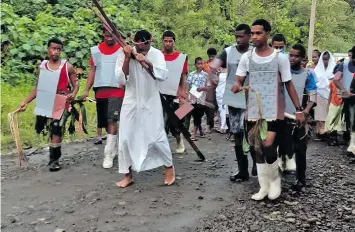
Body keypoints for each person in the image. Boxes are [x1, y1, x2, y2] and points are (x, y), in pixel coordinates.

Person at [232, 19, 305, 201]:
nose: (255, 37)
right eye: (253, 33)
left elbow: (288, 84)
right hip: (254, 109)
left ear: (267, 34)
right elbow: (239, 80)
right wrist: (237, 85)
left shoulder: (279, 58)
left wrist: (298, 109)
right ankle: (263, 186)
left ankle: (274, 181)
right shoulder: (246, 58)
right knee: (256, 147)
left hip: (273, 108)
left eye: (259, 33)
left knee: (268, 145)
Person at [115, 30, 174, 188]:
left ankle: (169, 168)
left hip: (150, 99)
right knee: (125, 137)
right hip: (131, 99)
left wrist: (147, 62)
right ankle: (128, 175)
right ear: (134, 43)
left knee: (156, 135)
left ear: (150, 42)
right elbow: (121, 79)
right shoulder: (125, 52)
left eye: (145, 44)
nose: (142, 47)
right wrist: (128, 58)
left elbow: (162, 75)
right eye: (138, 44)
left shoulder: (156, 54)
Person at [19, 38, 79, 171]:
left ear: (61, 51)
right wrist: (25, 101)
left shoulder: (67, 66)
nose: (56, 52)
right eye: (53, 48)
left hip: (62, 101)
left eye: (58, 49)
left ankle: (54, 159)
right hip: (47, 100)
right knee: (50, 129)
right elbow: (38, 87)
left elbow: (76, 83)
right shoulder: (42, 67)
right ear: (48, 49)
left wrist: (73, 93)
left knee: (57, 127)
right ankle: (54, 154)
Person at [211, 23, 256, 182]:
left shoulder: (255, 53)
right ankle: (242, 170)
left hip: (253, 100)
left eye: (241, 36)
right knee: (237, 135)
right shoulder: (228, 52)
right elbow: (213, 65)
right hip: (234, 99)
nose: (238, 39)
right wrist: (214, 75)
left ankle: (257, 166)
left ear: (249, 36)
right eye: (236, 36)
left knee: (254, 135)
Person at [83, 26, 124, 169]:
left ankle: (108, 154)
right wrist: (86, 90)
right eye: (107, 35)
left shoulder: (122, 50)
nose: (110, 38)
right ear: (103, 34)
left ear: (116, 35)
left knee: (112, 119)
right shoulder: (96, 51)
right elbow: (92, 71)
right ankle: (114, 148)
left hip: (117, 90)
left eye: (112, 35)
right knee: (106, 122)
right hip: (100, 91)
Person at [278, 44, 317, 191]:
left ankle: (301, 179)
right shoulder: (282, 73)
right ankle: (280, 174)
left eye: (296, 56)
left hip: (298, 117)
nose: (293, 58)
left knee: (300, 148)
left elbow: (313, 96)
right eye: (291, 55)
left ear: (302, 58)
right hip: (282, 116)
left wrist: (305, 111)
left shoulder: (308, 74)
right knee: (282, 146)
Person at [159, 30, 188, 153]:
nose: (168, 44)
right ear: (162, 42)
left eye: (170, 41)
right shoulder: (157, 56)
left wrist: (183, 95)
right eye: (165, 41)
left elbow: (183, 78)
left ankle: (178, 138)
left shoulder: (181, 58)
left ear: (174, 42)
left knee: (175, 121)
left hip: (175, 94)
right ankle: (161, 147)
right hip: (160, 93)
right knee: (160, 121)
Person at [333, 46, 355, 156]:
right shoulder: (344, 64)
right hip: (349, 98)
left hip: (348, 97)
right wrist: (343, 90)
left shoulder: (344, 64)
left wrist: (343, 90)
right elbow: (336, 79)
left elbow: (336, 79)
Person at [314, 51, 336, 140]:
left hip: (331, 94)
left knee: (329, 113)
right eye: (323, 59)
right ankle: (320, 131)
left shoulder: (334, 68)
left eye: (326, 59)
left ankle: (327, 131)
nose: (325, 61)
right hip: (319, 93)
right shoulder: (317, 69)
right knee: (320, 113)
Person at [186, 57, 209, 141]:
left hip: (201, 98)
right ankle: (194, 133)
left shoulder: (206, 75)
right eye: (198, 64)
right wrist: (186, 96)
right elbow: (187, 86)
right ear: (195, 64)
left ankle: (197, 131)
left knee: (198, 115)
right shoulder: (191, 75)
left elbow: (209, 87)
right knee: (194, 115)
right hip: (192, 98)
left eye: (201, 64)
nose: (200, 65)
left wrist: (203, 88)